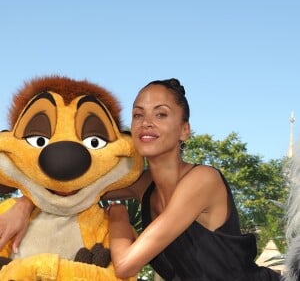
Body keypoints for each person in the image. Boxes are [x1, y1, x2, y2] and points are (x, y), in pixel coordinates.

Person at [0, 79, 281, 280]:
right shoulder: (141, 185)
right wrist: (25, 204)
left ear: (184, 131)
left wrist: (118, 215)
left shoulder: (202, 180)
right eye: (138, 114)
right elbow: (68, 187)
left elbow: (125, 266)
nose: (146, 122)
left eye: (161, 114)